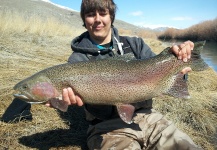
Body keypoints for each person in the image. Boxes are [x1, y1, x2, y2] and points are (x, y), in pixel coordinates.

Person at [46, 0, 202, 149]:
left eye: (103, 13)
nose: (98, 19)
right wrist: (63, 101)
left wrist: (181, 60)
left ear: (111, 17)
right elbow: (76, 105)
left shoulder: (135, 44)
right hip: (106, 128)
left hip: (150, 118)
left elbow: (163, 74)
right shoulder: (78, 60)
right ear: (84, 19)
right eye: (91, 14)